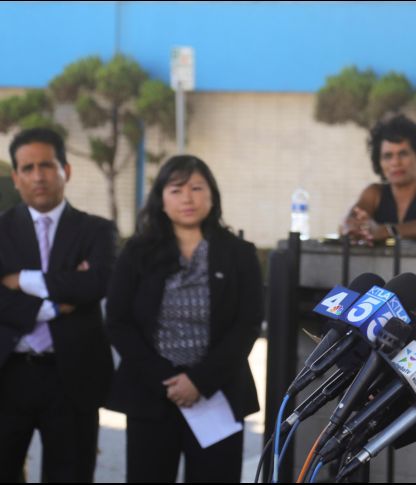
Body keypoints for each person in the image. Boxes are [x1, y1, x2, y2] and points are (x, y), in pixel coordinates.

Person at [105, 155, 263, 482]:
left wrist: (199, 381)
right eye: (176, 189)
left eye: (196, 188)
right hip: (152, 394)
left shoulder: (239, 253)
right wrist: (167, 381)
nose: (187, 198)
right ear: (161, 199)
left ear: (212, 196)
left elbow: (248, 323)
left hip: (217, 393)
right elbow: (118, 322)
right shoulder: (137, 252)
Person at [0, 127, 116, 482]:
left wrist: (21, 281)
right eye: (28, 168)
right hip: (8, 375)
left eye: (47, 165)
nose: (38, 176)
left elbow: (96, 283)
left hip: (73, 379)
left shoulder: (97, 230)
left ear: (66, 170)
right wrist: (53, 305)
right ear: (16, 177)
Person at [341, 114, 416, 244]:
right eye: (387, 156)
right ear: (379, 162)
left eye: (403, 154)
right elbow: (348, 223)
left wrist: (384, 231)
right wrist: (356, 227)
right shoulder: (374, 193)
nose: (395, 162)